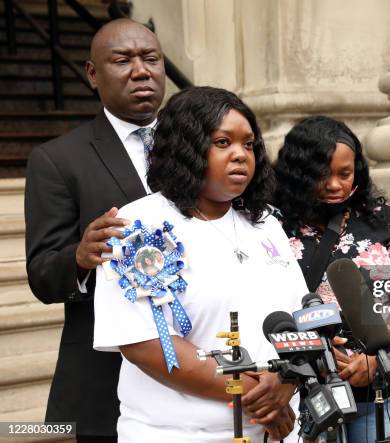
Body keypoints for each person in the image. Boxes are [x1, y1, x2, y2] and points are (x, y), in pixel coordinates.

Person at [93, 86, 307, 442]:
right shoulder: (139, 227)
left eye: (249, 144)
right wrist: (261, 397)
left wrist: (288, 379)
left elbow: (301, 317)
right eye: (223, 143)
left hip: (277, 427)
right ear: (187, 148)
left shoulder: (265, 223)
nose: (241, 155)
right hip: (180, 433)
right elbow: (146, 344)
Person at [24, 19, 165, 442]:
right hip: (109, 380)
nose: (141, 71)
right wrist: (80, 258)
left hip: (200, 367)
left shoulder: (201, 144)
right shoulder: (58, 160)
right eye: (123, 61)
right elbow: (43, 274)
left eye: (151, 59)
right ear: (92, 74)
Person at [273, 116, 390, 442]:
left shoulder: (383, 221)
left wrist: (379, 357)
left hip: (384, 392)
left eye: (345, 173)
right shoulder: (272, 228)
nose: (336, 185)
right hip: (307, 397)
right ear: (298, 173)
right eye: (322, 174)